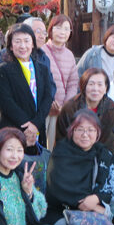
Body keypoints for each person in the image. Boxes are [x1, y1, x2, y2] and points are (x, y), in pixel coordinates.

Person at [44, 110, 114, 225]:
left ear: (98, 133)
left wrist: (96, 200)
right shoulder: (61, 152)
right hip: (59, 209)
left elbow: (112, 186)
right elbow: (57, 188)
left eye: (91, 130)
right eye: (80, 129)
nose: (86, 134)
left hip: (90, 208)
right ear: (72, 131)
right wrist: (90, 205)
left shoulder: (103, 154)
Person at [0, 24, 56, 151]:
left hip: (37, 129)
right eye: (17, 41)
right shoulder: (4, 70)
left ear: (33, 44)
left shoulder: (43, 69)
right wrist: (28, 127)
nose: (22, 46)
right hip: (13, 129)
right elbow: (6, 102)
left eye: (26, 41)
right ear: (11, 46)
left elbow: (48, 97)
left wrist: (36, 124)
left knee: (35, 168)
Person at [56, 68, 114, 154]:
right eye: (91, 84)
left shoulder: (112, 110)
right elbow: (62, 139)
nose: (95, 89)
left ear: (106, 88)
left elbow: (110, 143)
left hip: (100, 157)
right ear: (84, 86)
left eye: (100, 84)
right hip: (72, 156)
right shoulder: (70, 107)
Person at [41, 14, 79, 149]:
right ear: (50, 30)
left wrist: (67, 104)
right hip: (42, 110)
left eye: (66, 29)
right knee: (40, 148)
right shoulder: (40, 52)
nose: (62, 32)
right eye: (58, 28)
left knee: (56, 148)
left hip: (61, 111)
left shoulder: (69, 55)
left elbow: (73, 82)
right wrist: (48, 101)